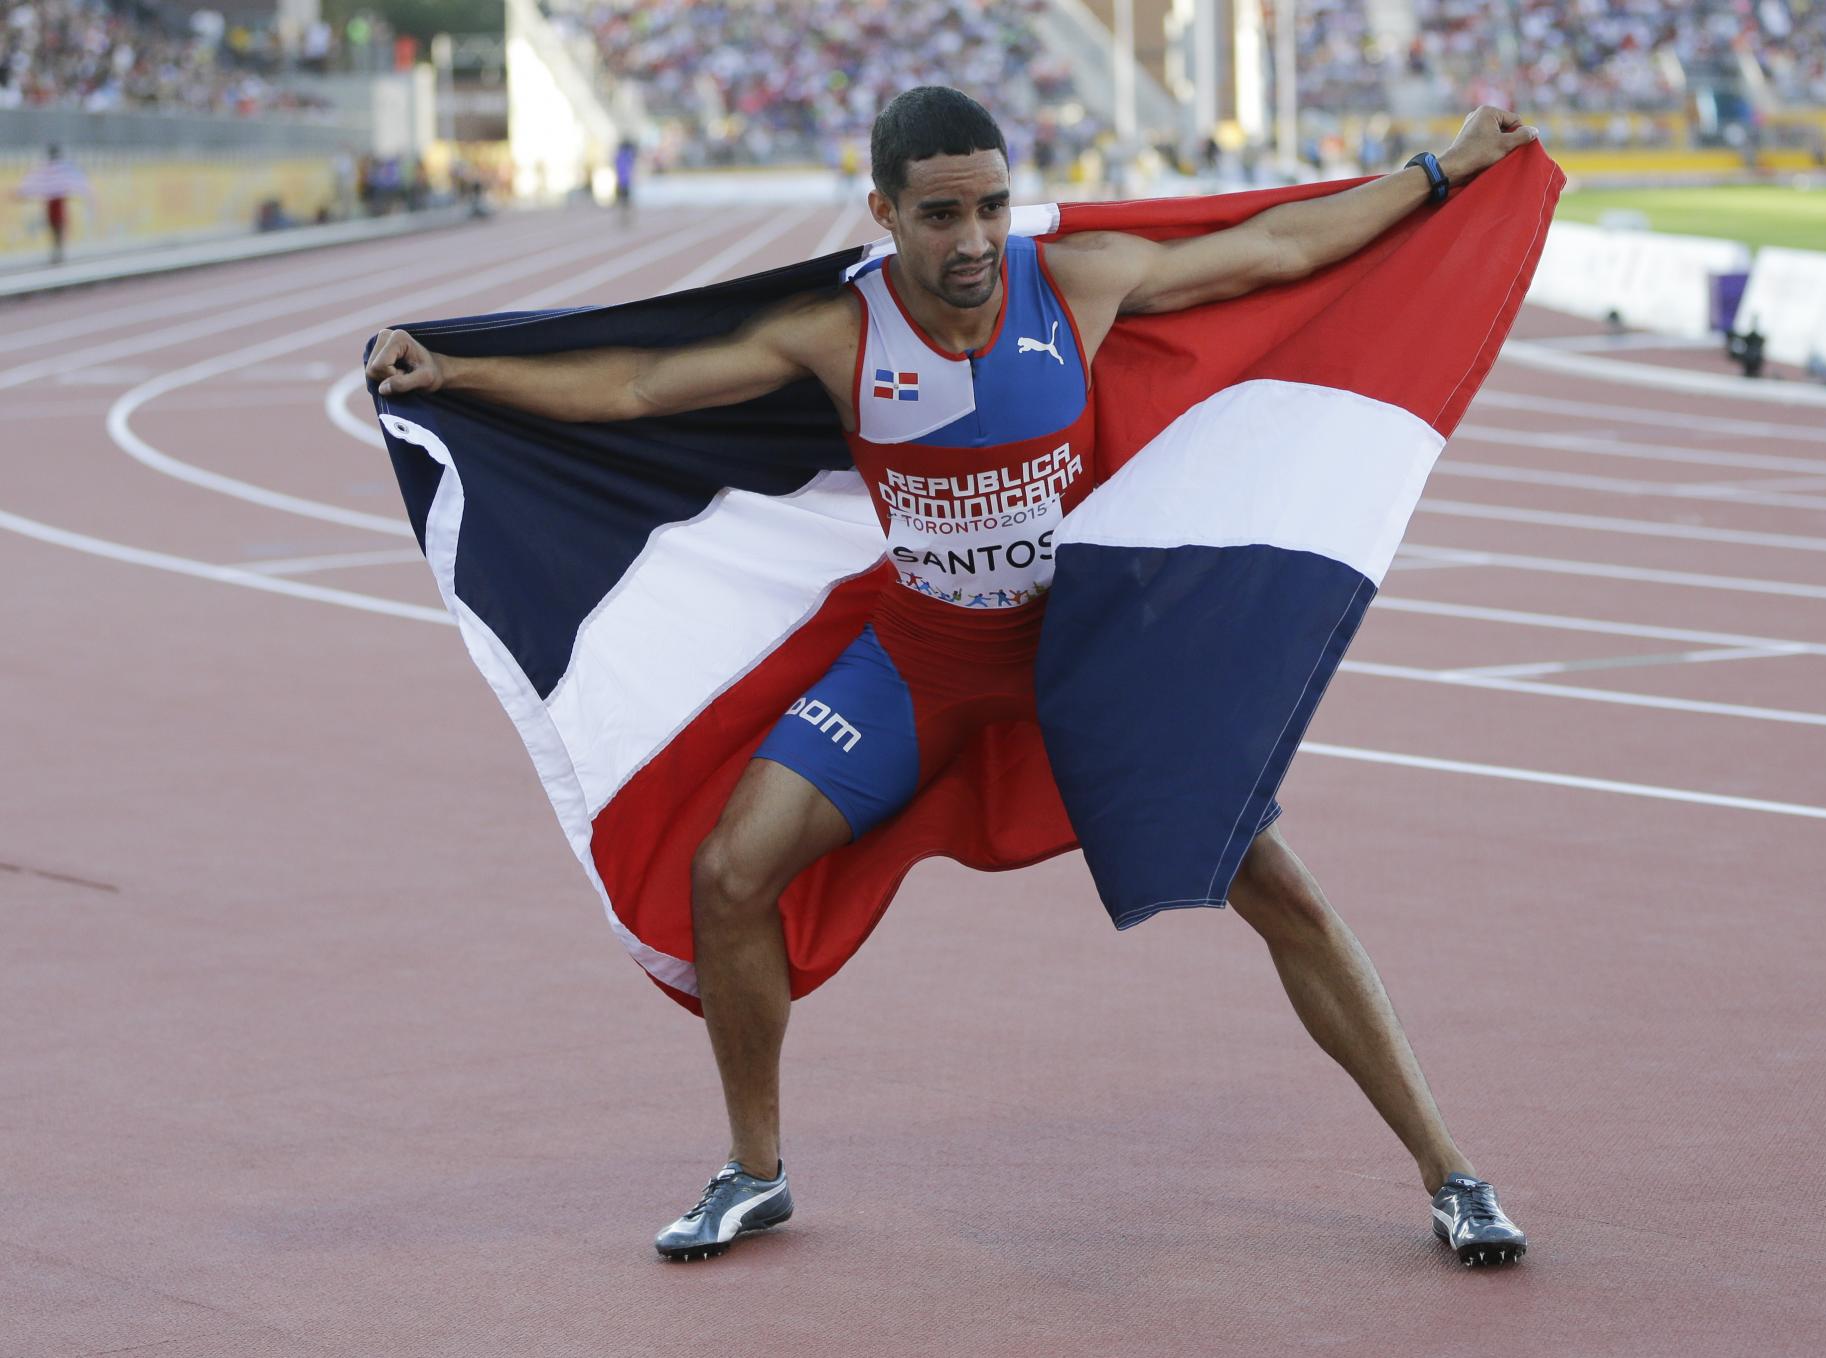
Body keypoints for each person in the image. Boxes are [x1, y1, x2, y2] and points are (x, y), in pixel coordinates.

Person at [367, 86, 1538, 1269]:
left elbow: (1281, 247)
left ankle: (1453, 1174)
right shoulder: (839, 335)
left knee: (1278, 886)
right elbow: (631, 389)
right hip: (919, 662)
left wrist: (1435, 173)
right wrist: (455, 375)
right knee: (728, 873)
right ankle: (752, 1168)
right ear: (883, 212)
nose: (971, 240)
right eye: (938, 214)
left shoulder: (1074, 281)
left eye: (987, 206)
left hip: (1082, 667)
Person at [12, 145, 90, 266]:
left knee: (56, 231)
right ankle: (58, 253)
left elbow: (35, 183)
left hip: (53, 209)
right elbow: (72, 183)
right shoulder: (62, 170)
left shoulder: (46, 170)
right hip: (57, 209)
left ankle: (57, 253)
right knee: (58, 231)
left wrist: (21, 193)